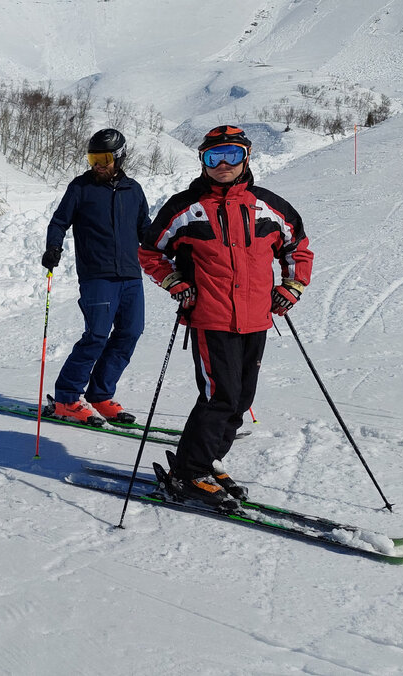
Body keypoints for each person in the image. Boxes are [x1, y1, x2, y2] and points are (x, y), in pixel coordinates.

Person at [139, 125, 314, 506]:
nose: (222, 164)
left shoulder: (268, 206)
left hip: (257, 317)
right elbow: (151, 252)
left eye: (232, 155)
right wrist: (174, 281)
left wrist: (291, 287)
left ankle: (207, 458)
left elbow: (297, 249)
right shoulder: (184, 208)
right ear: (202, 161)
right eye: (213, 156)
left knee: (241, 399)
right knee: (220, 396)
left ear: (246, 158)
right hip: (210, 316)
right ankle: (189, 473)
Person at [41, 128, 151, 426]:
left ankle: (101, 395)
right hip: (96, 275)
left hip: (130, 275)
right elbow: (59, 222)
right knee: (97, 336)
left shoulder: (133, 190)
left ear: (119, 158)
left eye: (103, 159)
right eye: (93, 159)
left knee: (130, 333)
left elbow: (145, 228)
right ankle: (66, 399)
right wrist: (53, 247)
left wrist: (172, 247)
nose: (97, 166)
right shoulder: (81, 187)